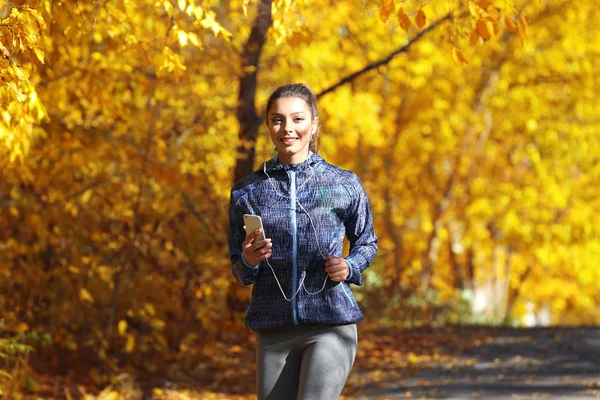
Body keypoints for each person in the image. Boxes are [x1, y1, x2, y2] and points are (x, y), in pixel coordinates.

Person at [228, 83, 378, 399]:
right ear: (268, 125)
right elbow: (240, 272)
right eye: (277, 119)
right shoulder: (248, 191)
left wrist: (349, 266)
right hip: (273, 328)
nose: (287, 129)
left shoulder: (342, 184)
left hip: (330, 324)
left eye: (297, 119)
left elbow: (367, 241)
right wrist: (250, 260)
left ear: (314, 123)